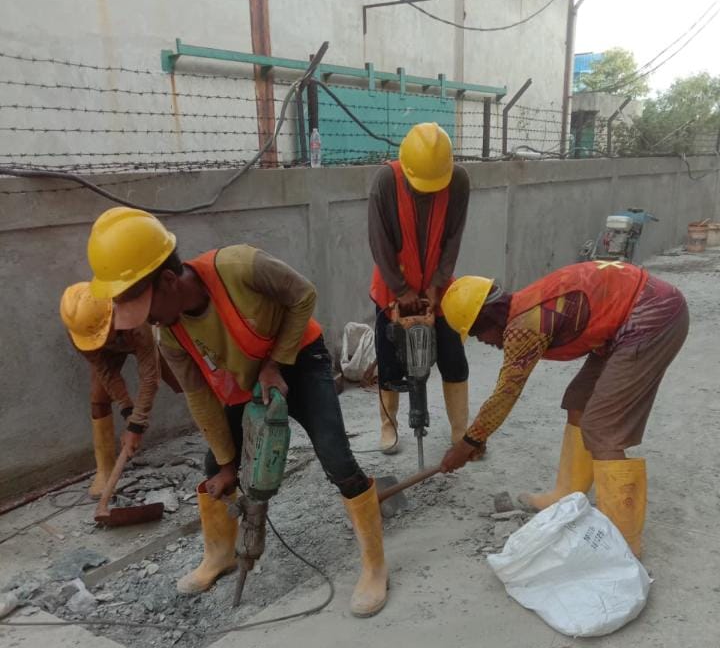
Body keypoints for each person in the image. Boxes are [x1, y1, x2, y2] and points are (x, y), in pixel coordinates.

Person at [86, 206, 388, 617]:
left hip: (299, 358)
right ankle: (221, 555)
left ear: (169, 281)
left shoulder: (241, 267)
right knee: (215, 465)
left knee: (335, 453)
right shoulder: (170, 335)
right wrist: (229, 463)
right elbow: (198, 395)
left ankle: (374, 566)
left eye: (145, 308)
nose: (146, 322)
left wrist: (275, 362)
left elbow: (304, 295)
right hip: (249, 377)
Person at [439, 260, 689, 555]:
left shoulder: (524, 325)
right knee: (578, 401)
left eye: (478, 334)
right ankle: (567, 493)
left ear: (486, 319)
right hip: (628, 316)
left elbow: (506, 392)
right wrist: (475, 441)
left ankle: (623, 543)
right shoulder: (523, 305)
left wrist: (469, 442)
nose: (482, 341)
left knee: (602, 428)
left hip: (652, 317)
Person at [368, 122, 471, 453]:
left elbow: (454, 238)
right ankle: (389, 427)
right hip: (391, 290)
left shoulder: (458, 181)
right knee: (390, 360)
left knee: (453, 358)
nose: (427, 191)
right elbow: (378, 240)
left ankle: (461, 432)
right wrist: (401, 291)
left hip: (439, 291)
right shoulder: (385, 181)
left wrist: (438, 284)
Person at [59, 282, 172, 497]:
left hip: (135, 336)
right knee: (98, 397)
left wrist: (137, 425)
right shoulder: (79, 330)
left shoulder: (136, 321)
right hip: (112, 343)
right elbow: (106, 371)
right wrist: (127, 409)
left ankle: (212, 433)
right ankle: (105, 470)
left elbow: (149, 378)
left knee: (182, 380)